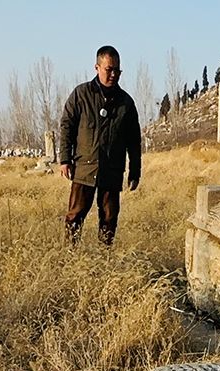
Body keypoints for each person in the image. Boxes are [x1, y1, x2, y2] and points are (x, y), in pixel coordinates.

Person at [57, 45, 141, 245]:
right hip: (84, 169)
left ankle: (105, 260)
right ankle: (69, 256)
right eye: (108, 69)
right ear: (97, 67)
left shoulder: (126, 103)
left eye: (117, 70)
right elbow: (66, 126)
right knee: (75, 217)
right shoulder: (81, 94)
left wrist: (135, 171)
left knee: (109, 220)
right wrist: (65, 159)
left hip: (112, 171)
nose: (113, 74)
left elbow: (134, 141)